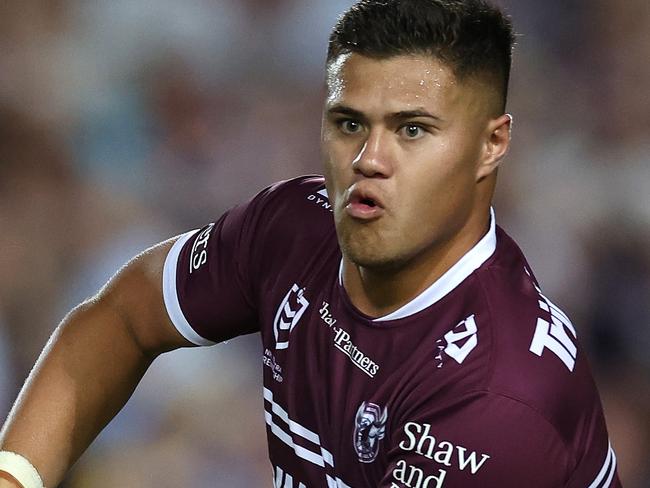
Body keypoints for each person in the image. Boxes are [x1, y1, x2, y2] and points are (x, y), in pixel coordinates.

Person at [0, 0, 621, 487]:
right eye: (349, 123)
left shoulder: (500, 397)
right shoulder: (293, 224)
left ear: (492, 144)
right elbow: (124, 319)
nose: (369, 159)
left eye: (412, 130)